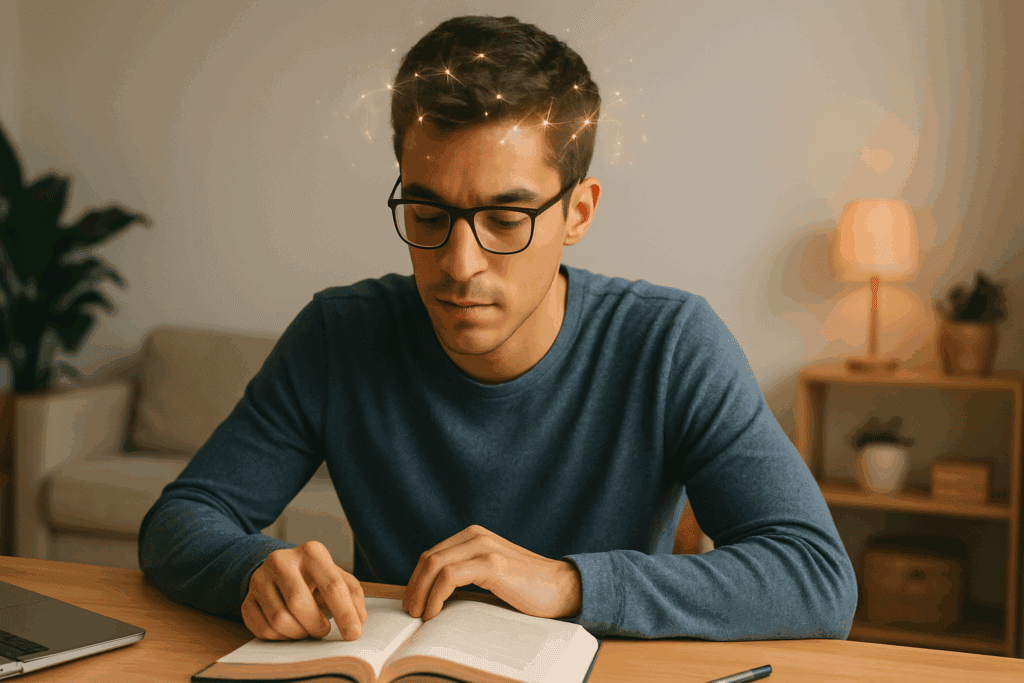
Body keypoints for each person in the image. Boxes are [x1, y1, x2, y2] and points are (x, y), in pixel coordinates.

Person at [139, 15, 857, 643]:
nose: (459, 265)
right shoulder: (339, 335)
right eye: (426, 216)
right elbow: (182, 519)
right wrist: (253, 570)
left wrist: (570, 583)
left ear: (578, 212)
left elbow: (817, 575)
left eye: (506, 221)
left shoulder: (671, 344)